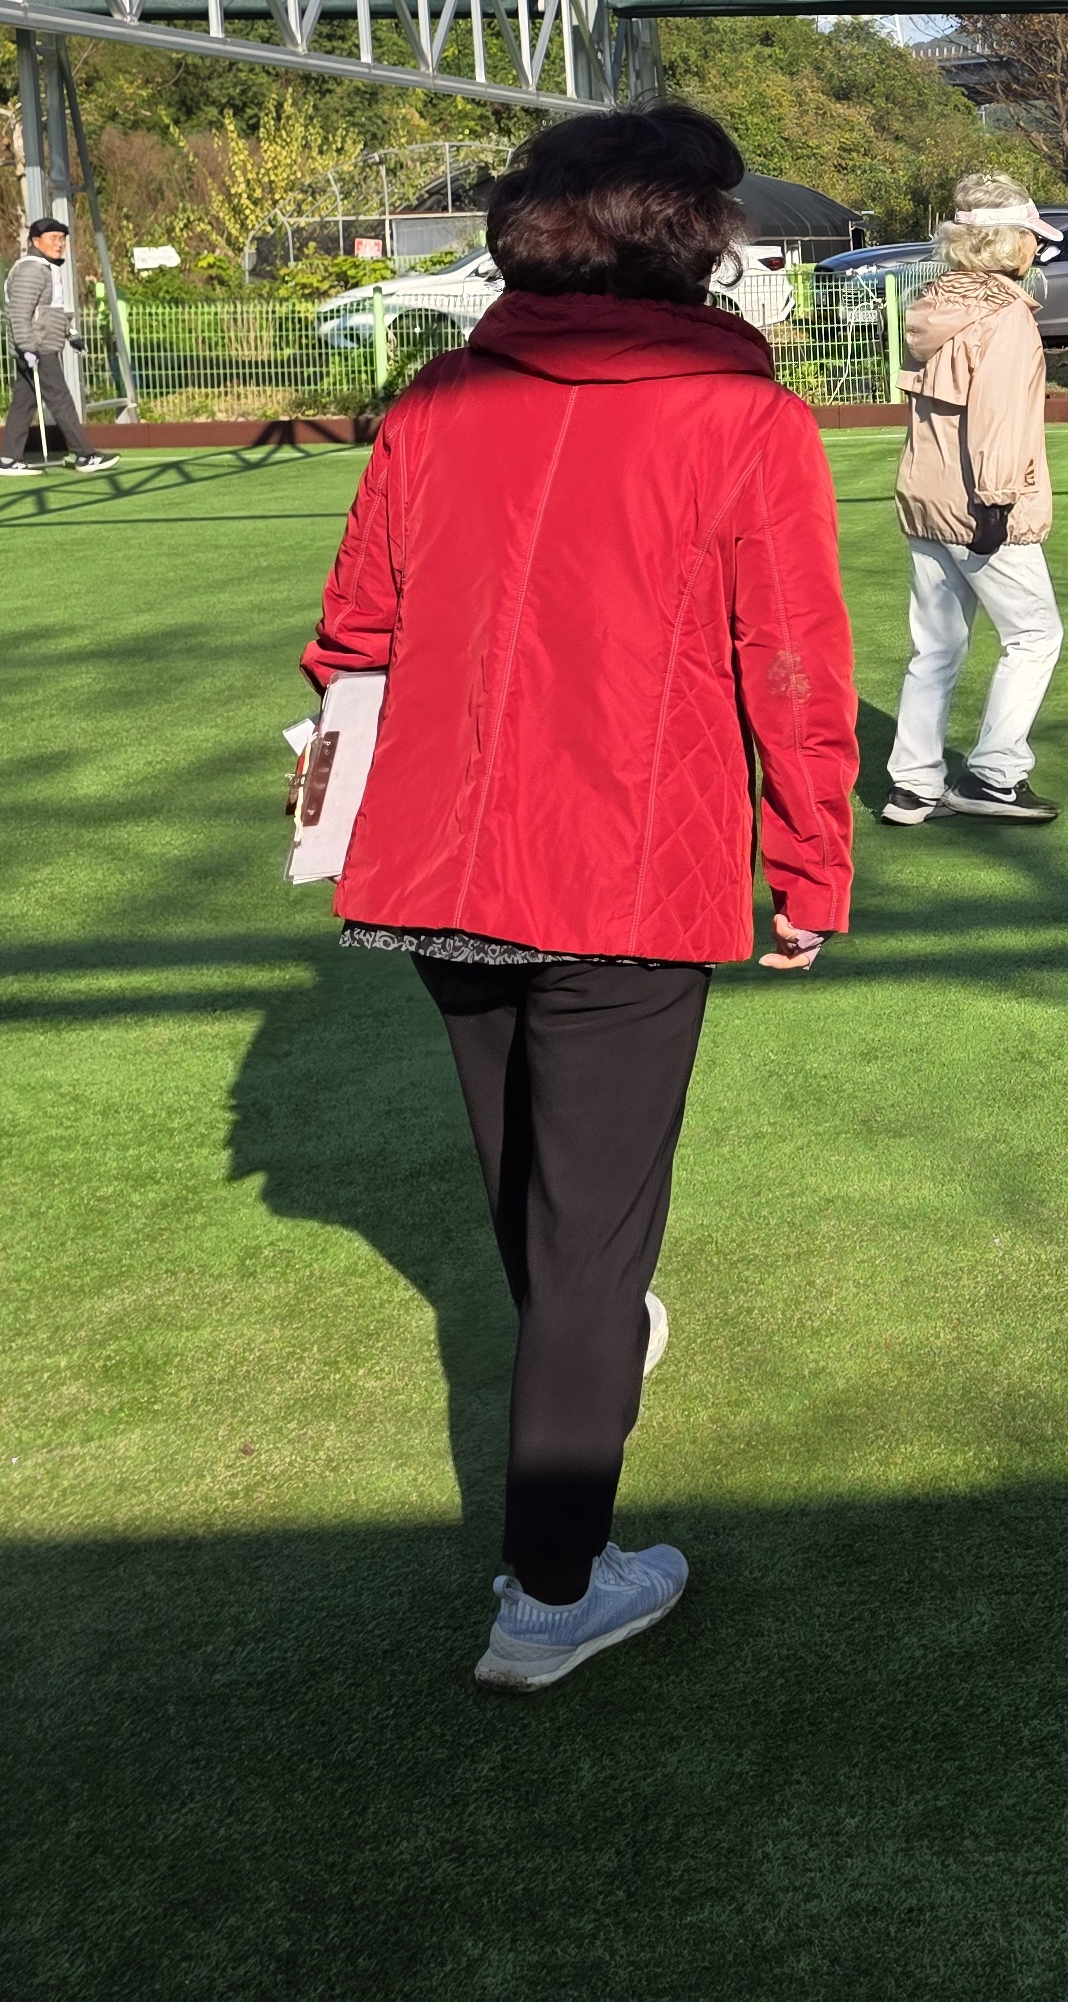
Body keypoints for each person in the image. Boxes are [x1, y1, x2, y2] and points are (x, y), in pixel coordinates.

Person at [303, 101, 857, 1694]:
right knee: (590, 1243)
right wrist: (811, 864)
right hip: (621, 870)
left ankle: (587, 1389)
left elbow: (352, 636)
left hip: (439, 863)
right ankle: (552, 1588)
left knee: (548, 1214)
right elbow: (796, 664)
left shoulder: (438, 404)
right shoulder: (744, 420)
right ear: (693, 240)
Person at [884, 171, 1068, 829]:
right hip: (981, 507)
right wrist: (996, 502)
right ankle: (994, 774)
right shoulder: (1006, 317)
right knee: (1035, 635)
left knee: (935, 646)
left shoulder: (933, 302)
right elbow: (997, 417)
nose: (1035, 248)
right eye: (1029, 235)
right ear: (1005, 240)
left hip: (926, 498)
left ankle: (912, 786)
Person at [0, 214, 112, 477]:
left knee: (23, 404)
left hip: (41, 345)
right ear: (36, 241)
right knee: (60, 400)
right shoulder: (31, 270)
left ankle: (8, 459)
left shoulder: (47, 268)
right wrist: (27, 347)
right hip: (38, 348)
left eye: (62, 238)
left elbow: (52, 313)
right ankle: (85, 455)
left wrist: (71, 334)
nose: (59, 243)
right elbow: (19, 314)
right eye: (53, 238)